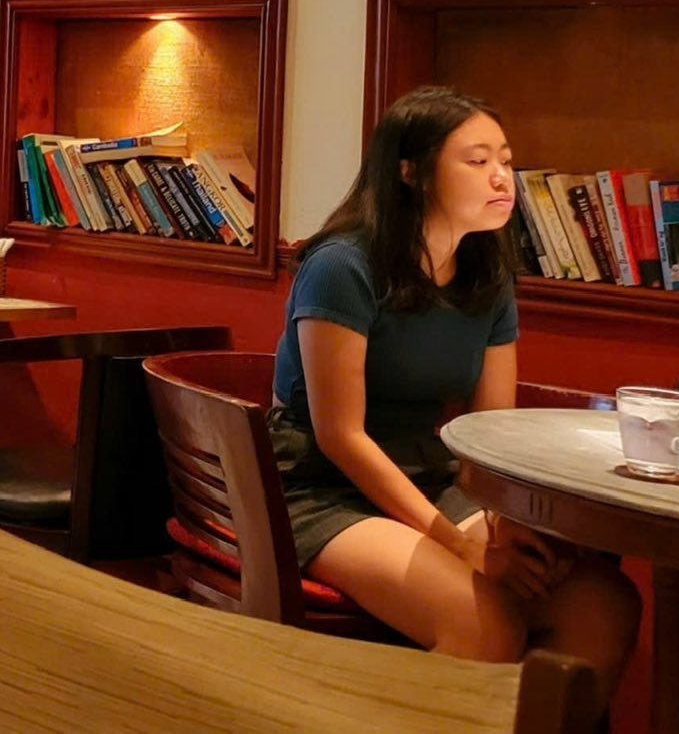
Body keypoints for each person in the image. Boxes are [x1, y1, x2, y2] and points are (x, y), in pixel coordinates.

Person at [273, 85, 639, 711]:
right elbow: (341, 436)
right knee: (487, 621)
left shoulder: (486, 275)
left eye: (506, 159)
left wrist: (501, 524)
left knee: (605, 604)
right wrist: (460, 540)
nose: (503, 178)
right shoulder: (344, 265)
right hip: (323, 488)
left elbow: (489, 428)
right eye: (477, 161)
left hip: (435, 477)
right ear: (410, 172)